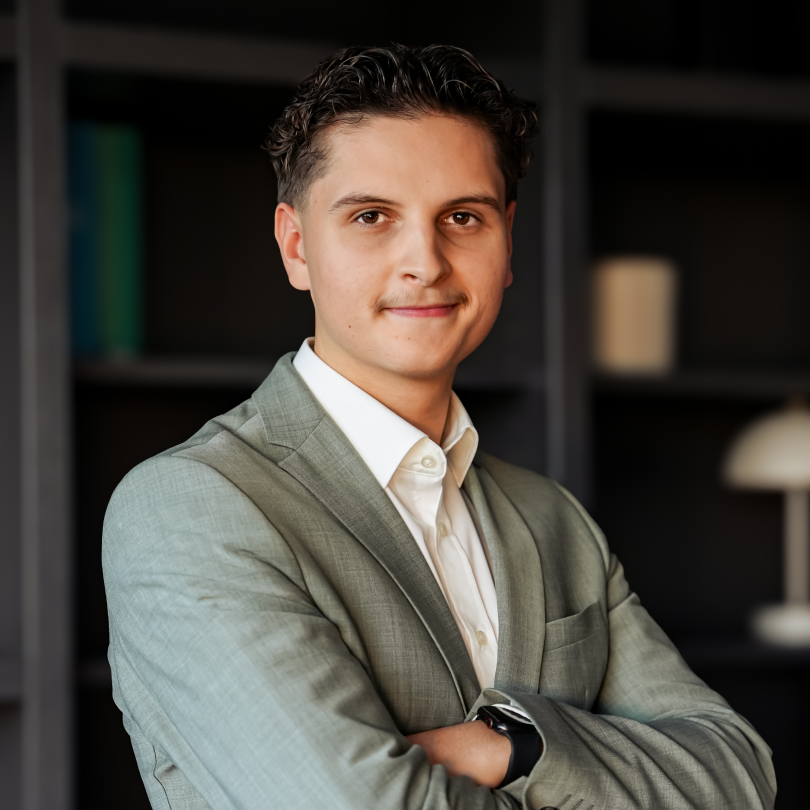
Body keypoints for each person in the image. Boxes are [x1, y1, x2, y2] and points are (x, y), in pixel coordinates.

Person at [103, 44, 776, 810]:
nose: (425, 262)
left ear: (507, 241)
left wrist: (514, 747)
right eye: (371, 217)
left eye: (462, 217)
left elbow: (738, 775)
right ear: (296, 246)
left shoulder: (551, 518)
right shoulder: (189, 508)